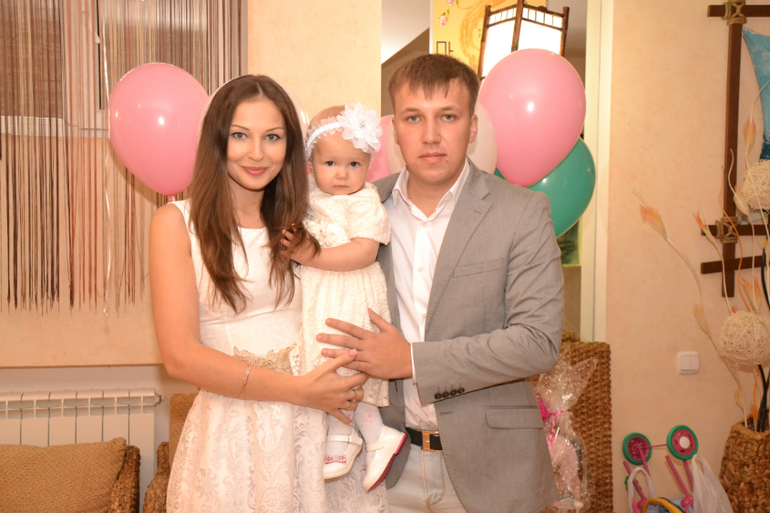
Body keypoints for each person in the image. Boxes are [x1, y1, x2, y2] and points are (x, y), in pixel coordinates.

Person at [318, 54, 565, 513]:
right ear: (395, 130)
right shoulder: (361, 211)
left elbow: (538, 342)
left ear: (472, 127)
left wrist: (411, 360)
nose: (430, 136)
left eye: (447, 117)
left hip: (493, 472)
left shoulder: (522, 212)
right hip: (383, 470)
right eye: (414, 118)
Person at [149, 75, 384, 512]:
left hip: (321, 430)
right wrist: (299, 390)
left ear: (292, 147)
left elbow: (356, 291)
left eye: (272, 137)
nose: (256, 153)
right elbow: (179, 356)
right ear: (216, 140)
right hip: (234, 434)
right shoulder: (176, 223)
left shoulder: (311, 221)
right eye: (240, 135)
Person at [283, 103, 408, 492]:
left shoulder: (363, 200)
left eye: (354, 164)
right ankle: (369, 434)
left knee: (344, 358)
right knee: (322, 357)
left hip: (351, 288)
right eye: (331, 163)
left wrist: (311, 256)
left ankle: (348, 433)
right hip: (320, 291)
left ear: (368, 165)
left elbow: (365, 252)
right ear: (310, 165)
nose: (342, 174)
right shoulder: (308, 196)